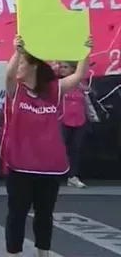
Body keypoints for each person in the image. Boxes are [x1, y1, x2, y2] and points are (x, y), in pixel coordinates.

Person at [2, 36, 90, 257]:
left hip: (50, 167)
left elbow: (78, 75)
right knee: (17, 214)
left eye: (23, 62)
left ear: (34, 66)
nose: (19, 66)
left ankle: (44, 252)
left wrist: (84, 51)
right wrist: (16, 52)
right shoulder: (16, 91)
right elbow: (9, 75)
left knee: (44, 214)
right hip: (21, 166)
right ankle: (14, 253)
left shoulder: (54, 89)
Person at [56, 60, 88, 189]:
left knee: (75, 149)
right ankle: (55, 175)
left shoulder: (81, 83)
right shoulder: (58, 83)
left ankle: (72, 176)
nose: (62, 69)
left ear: (73, 69)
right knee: (59, 149)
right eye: (61, 67)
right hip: (62, 119)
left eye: (65, 67)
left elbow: (89, 94)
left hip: (79, 120)